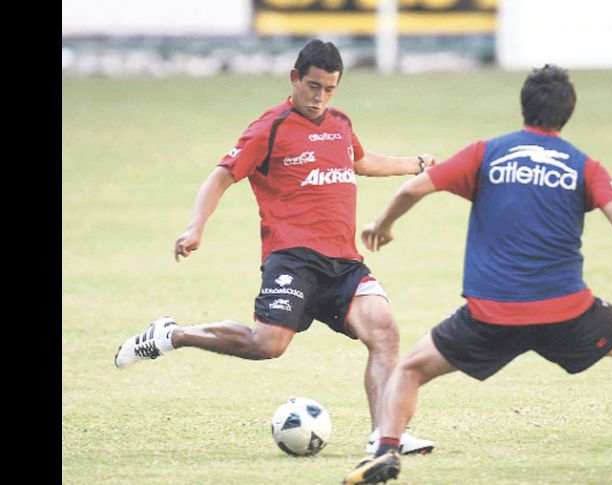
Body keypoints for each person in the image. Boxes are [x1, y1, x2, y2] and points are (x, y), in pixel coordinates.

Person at [342, 64, 612, 484]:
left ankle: (386, 451)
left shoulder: (487, 153)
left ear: (523, 107)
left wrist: (383, 225)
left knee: (409, 370)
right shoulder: (583, 166)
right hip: (567, 312)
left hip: (490, 316)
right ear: (567, 113)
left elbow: (414, 187)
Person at [114, 39, 435, 455]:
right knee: (266, 345)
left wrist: (416, 164)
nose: (320, 98)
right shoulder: (271, 127)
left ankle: (385, 438)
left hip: (343, 262)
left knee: (385, 330)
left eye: (329, 89)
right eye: (313, 86)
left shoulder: (339, 122)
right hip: (293, 258)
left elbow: (358, 160)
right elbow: (221, 176)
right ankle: (173, 335)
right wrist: (196, 227)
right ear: (295, 78)